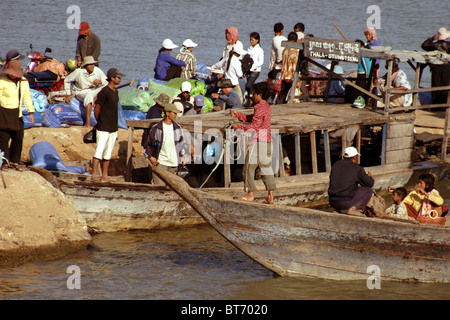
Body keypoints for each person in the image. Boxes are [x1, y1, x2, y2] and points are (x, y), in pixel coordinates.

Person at [230, 81, 276, 204]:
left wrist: (238, 127)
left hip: (258, 142)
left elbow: (254, 126)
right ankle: (270, 196)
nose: (252, 96)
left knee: (248, 168)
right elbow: (252, 119)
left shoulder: (258, 107)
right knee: (266, 168)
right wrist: (238, 115)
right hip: (267, 141)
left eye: (254, 94)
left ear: (259, 95)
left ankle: (250, 194)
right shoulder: (266, 106)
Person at [91, 68, 125, 183]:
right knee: (99, 151)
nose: (119, 79)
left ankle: (104, 176)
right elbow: (97, 106)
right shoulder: (104, 91)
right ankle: (94, 174)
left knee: (108, 152)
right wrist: (99, 120)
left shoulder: (115, 91)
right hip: (103, 126)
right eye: (118, 77)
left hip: (113, 127)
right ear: (112, 78)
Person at [0, 60, 35, 172]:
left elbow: (27, 96)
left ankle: (15, 161)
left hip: (17, 113)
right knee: (3, 139)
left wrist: (31, 112)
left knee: (18, 138)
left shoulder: (23, 82)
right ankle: (5, 162)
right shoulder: (2, 81)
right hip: (4, 113)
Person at [144, 103, 186, 185]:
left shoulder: (178, 128)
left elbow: (181, 144)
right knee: (159, 190)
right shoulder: (156, 128)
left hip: (174, 166)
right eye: (174, 113)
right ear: (167, 113)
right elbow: (148, 145)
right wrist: (150, 157)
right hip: (161, 165)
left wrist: (182, 157)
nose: (176, 115)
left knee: (173, 191)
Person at [328, 146, 375, 216]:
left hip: (332, 201)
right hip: (346, 202)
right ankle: (353, 209)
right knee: (368, 190)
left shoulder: (335, 165)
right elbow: (369, 183)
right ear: (354, 157)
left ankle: (337, 209)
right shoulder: (357, 168)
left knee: (345, 188)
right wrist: (369, 177)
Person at [64, 56, 108, 127]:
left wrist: (100, 82)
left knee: (106, 87)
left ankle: (96, 100)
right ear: (85, 66)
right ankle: (88, 122)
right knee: (89, 96)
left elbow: (106, 81)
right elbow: (67, 80)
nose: (92, 66)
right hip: (81, 92)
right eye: (90, 65)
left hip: (93, 91)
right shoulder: (79, 72)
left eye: (93, 64)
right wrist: (68, 94)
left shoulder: (97, 71)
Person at [421, 28, 450, 105]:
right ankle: (444, 105)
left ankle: (436, 105)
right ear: (446, 37)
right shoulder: (448, 45)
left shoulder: (433, 45)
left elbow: (424, 45)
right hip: (446, 68)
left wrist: (432, 38)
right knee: (445, 86)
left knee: (435, 86)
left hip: (435, 68)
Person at [280, 32, 299, 103]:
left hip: (284, 76)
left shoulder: (285, 50)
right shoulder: (295, 52)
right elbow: (294, 67)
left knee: (284, 95)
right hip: (290, 77)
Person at [245, 32, 264, 97]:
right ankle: (251, 98)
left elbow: (261, 62)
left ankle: (253, 95)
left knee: (248, 85)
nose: (251, 42)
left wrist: (254, 66)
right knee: (248, 86)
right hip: (248, 70)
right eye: (250, 40)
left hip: (255, 70)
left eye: (252, 40)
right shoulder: (249, 49)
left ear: (257, 40)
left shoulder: (259, 50)